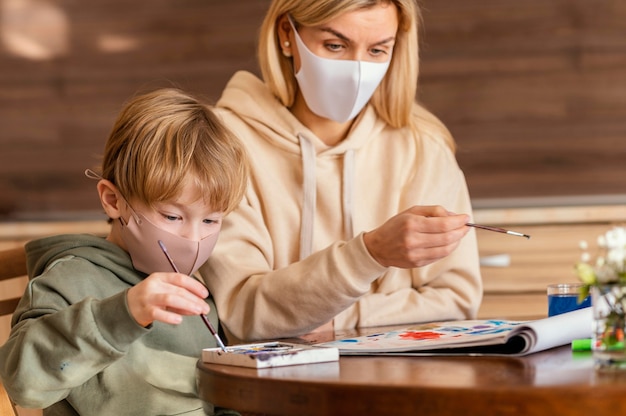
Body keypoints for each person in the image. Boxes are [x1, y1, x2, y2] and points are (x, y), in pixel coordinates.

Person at [200, 0, 483, 342]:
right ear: (287, 34)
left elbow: (456, 301)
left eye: (378, 50)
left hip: (396, 384)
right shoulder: (220, 144)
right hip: (266, 390)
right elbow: (244, 312)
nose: (357, 69)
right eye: (335, 45)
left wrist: (344, 318)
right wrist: (370, 254)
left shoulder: (423, 147)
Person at [0, 88, 248, 416]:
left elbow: (215, 401)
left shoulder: (198, 290)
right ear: (114, 201)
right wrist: (121, 314)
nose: (193, 238)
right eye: (172, 216)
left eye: (211, 220)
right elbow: (23, 382)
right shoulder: (70, 278)